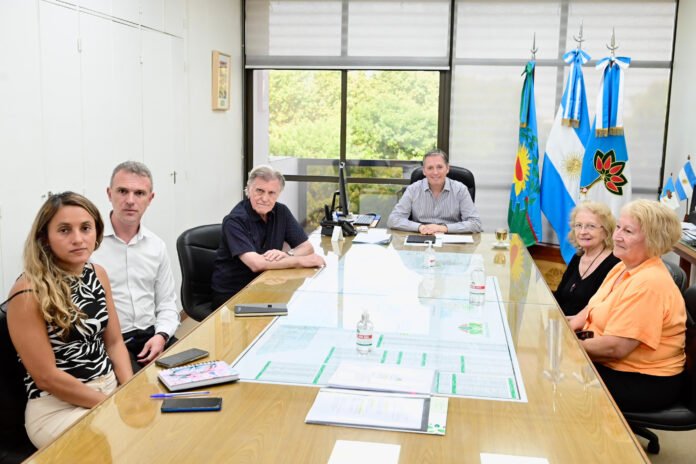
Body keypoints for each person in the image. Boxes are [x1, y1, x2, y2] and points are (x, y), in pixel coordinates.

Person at [5, 192, 133, 448]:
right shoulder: (27, 293)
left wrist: (130, 389)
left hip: (109, 388)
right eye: (64, 230)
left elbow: (115, 342)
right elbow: (47, 378)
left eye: (85, 228)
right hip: (58, 407)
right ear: (44, 237)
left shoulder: (97, 274)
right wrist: (110, 404)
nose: (78, 239)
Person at [568, 199, 686, 412]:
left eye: (628, 231)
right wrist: (566, 327)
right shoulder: (622, 267)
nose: (616, 236)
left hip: (643, 380)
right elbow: (591, 308)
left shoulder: (649, 283)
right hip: (611, 364)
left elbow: (615, 348)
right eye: (618, 227)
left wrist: (565, 346)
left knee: (558, 383)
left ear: (653, 239)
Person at [91, 161, 180, 372]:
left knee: (200, 374)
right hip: (111, 342)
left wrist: (162, 335)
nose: (130, 200)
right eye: (123, 191)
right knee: (140, 388)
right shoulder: (90, 245)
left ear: (150, 199)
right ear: (109, 193)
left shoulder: (156, 246)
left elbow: (167, 303)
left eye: (139, 193)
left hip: (152, 335)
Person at [211, 165, 325, 309]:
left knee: (305, 306)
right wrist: (301, 261)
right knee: (289, 311)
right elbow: (256, 264)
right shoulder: (234, 221)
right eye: (259, 191)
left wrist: (287, 254)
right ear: (248, 190)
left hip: (266, 283)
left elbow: (306, 247)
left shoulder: (281, 211)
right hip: (234, 295)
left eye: (271, 193)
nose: (265, 198)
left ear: (278, 194)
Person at [387, 149, 482, 234]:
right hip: (421, 238)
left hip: (451, 239)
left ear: (447, 168)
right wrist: (420, 227)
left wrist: (443, 228)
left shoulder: (460, 190)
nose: (435, 172)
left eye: (439, 167)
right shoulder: (413, 189)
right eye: (430, 168)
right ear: (424, 171)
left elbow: (475, 223)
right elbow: (393, 219)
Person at [553, 202, 620, 316]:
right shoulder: (577, 258)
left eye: (591, 226)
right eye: (578, 225)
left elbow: (604, 310)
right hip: (561, 321)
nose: (583, 232)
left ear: (606, 231)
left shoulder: (615, 264)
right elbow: (559, 297)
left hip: (587, 326)